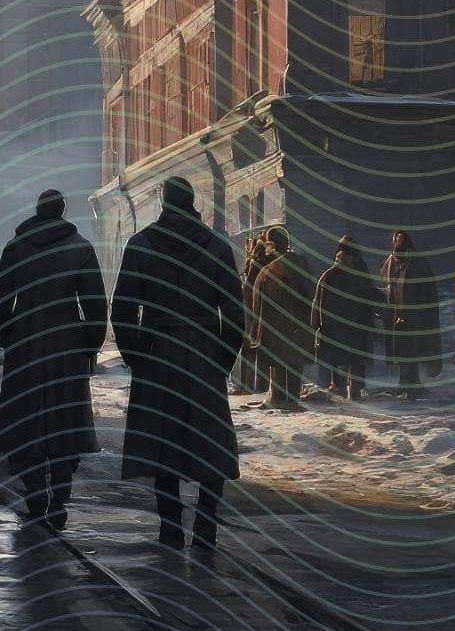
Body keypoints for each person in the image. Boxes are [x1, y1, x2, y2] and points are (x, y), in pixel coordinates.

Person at [112, 176, 244, 554]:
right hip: (203, 353)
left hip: (157, 352)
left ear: (163, 203)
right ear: (192, 203)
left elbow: (122, 308)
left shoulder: (140, 244)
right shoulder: (217, 247)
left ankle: (170, 527)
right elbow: (233, 312)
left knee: (162, 442)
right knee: (209, 444)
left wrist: (135, 353)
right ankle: (205, 525)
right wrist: (222, 357)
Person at [0, 189, 108, 530]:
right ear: (62, 211)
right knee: (65, 423)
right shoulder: (80, 247)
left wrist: (9, 333)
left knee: (24, 422)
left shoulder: (17, 247)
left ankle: (35, 491)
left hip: (25, 342)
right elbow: (95, 303)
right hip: (67, 344)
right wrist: (90, 344)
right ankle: (59, 496)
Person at [252, 224, 316, 409]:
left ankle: (281, 399)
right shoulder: (299, 264)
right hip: (296, 326)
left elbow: (258, 305)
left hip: (276, 328)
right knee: (293, 364)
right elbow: (309, 292)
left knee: (279, 363)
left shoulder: (269, 270)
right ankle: (290, 400)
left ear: (272, 244)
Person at [312, 235, 380, 400]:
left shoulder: (355, 273)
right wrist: (318, 324)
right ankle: (341, 388)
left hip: (352, 324)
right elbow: (319, 302)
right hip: (340, 325)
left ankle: (352, 391)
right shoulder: (331, 275)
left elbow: (368, 296)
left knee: (352, 361)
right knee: (341, 359)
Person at [380, 230, 441, 402]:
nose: (398, 243)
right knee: (401, 349)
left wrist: (422, 310)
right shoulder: (391, 261)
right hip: (396, 312)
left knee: (413, 349)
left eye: (401, 239)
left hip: (415, 313)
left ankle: (413, 384)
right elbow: (386, 282)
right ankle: (405, 383)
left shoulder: (418, 262)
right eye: (396, 239)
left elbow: (427, 288)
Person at [237, 233, 269, 392]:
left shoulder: (256, 262)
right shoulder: (264, 261)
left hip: (251, 309)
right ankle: (251, 385)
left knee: (249, 347)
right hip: (255, 308)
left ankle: (248, 385)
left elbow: (248, 287)